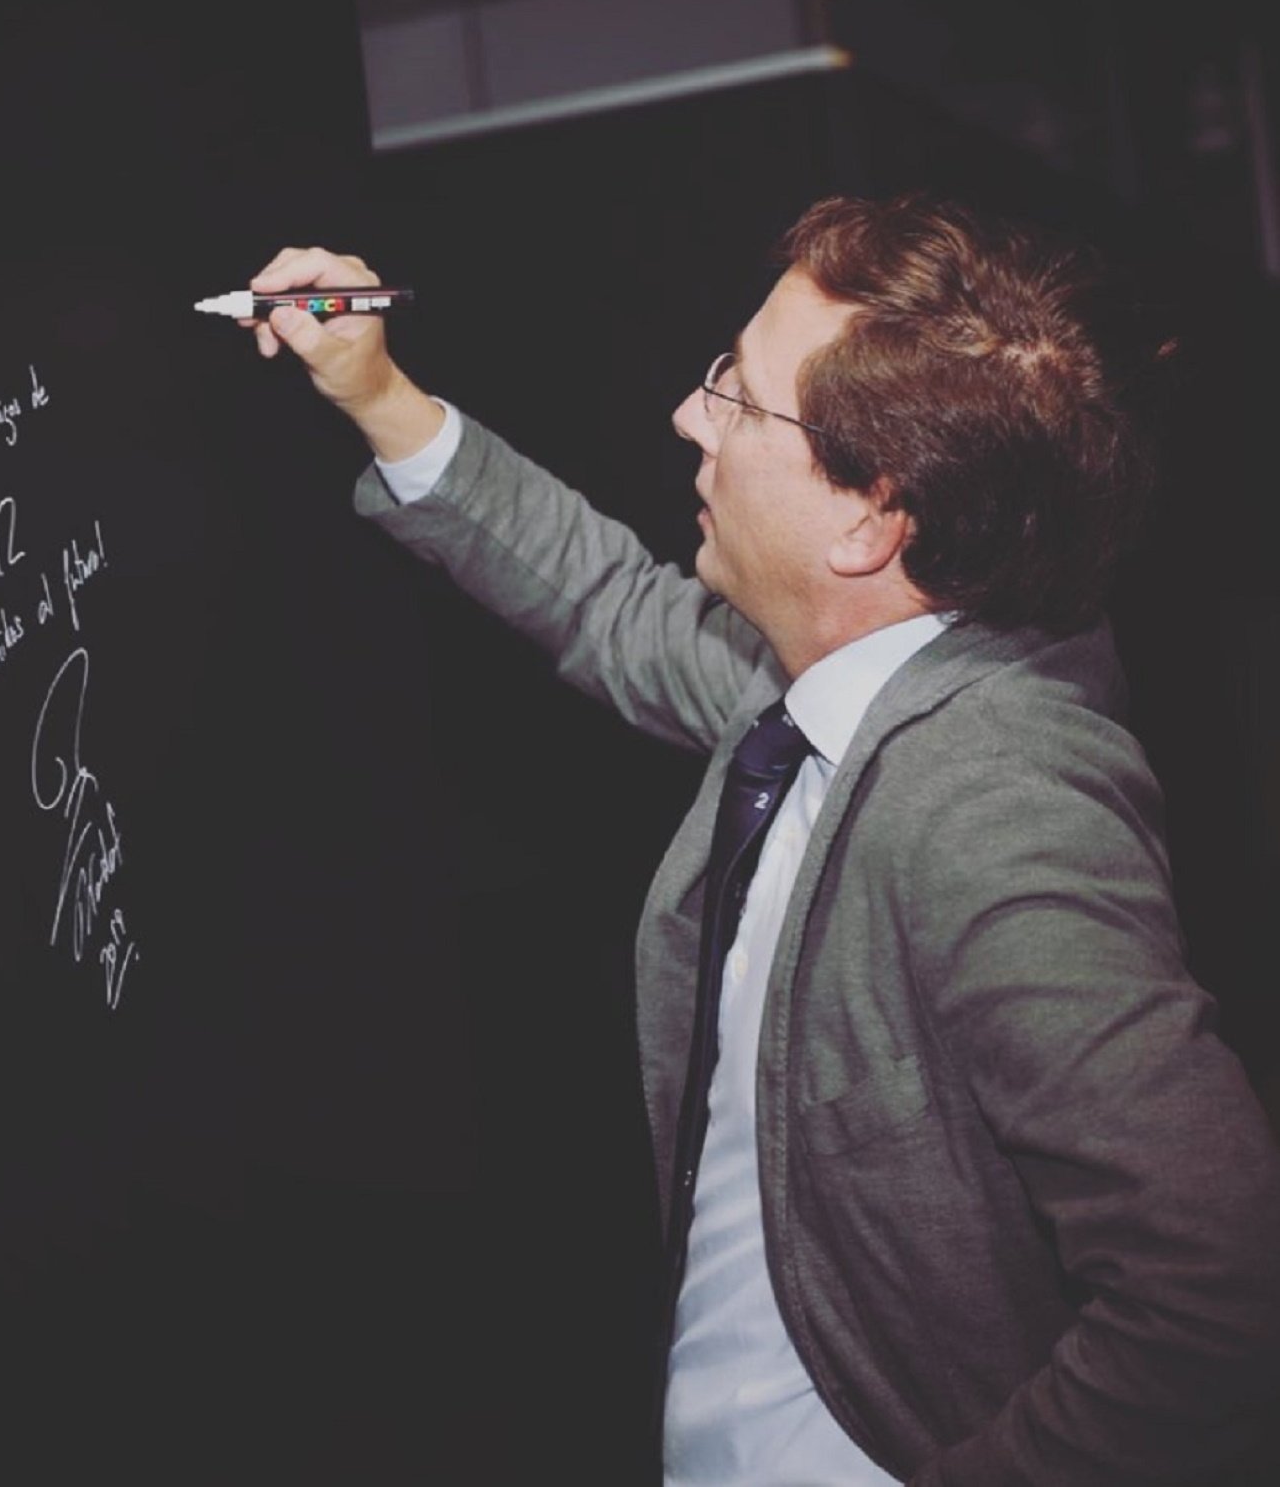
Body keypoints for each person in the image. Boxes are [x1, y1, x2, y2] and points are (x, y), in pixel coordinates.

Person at [238, 193, 1280, 1485]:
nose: (692, 415)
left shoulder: (995, 800)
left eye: (737, 393)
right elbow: (610, 606)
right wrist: (377, 391)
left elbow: (1220, 1293)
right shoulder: (841, 674)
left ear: (871, 518)